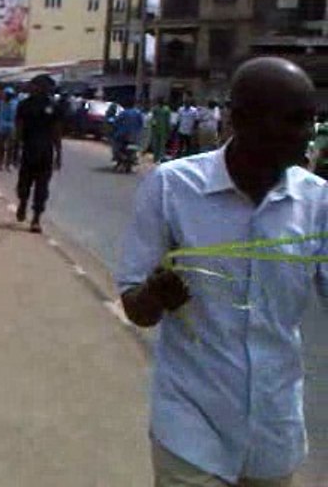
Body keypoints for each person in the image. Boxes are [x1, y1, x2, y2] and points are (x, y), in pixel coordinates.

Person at [117, 56, 327, 486]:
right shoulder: (172, 187)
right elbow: (136, 307)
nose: (307, 135)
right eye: (294, 120)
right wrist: (156, 296)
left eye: (311, 120)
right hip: (191, 426)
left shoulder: (318, 202)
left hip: (274, 431)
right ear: (242, 119)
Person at [13, 74, 62, 233]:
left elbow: (56, 132)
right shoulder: (24, 105)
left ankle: (35, 219)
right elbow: (19, 129)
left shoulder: (53, 107)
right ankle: (23, 203)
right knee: (24, 183)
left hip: (44, 151)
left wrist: (58, 153)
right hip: (29, 149)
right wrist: (15, 149)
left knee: (42, 187)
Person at [0, 86, 19, 170]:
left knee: (11, 147)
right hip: (1, 126)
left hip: (12, 127)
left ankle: (8, 163)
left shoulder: (15, 103)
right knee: (0, 146)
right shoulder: (0, 103)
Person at [149, 97, 172, 163]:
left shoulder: (166, 109)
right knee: (156, 144)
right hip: (156, 129)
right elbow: (153, 118)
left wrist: (168, 129)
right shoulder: (155, 109)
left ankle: (160, 158)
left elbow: (168, 120)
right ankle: (155, 158)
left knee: (162, 145)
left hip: (163, 129)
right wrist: (152, 125)